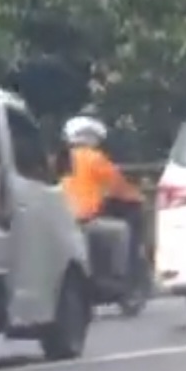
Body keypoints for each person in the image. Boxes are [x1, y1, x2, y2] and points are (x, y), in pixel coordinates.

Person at [60, 114, 144, 282]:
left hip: (63, 219)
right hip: (87, 219)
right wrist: (137, 197)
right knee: (122, 231)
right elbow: (117, 186)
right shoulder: (95, 158)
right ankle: (119, 276)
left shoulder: (60, 159)